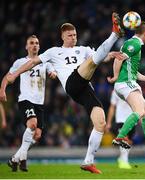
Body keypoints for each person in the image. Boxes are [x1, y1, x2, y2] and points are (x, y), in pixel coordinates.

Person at [4, 13, 125, 174]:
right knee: (90, 63)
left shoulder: (83, 50)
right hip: (72, 83)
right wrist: (15, 74)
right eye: (70, 35)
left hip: (84, 88)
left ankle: (88, 161)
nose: (73, 38)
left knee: (100, 122)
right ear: (63, 36)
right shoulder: (53, 52)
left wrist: (112, 54)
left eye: (75, 35)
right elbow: (32, 62)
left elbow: (101, 57)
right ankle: (115, 34)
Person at [108, 21, 145, 155]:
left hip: (128, 82)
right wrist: (115, 76)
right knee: (139, 111)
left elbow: (132, 70)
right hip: (125, 83)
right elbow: (118, 59)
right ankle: (120, 136)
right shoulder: (134, 44)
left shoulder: (135, 45)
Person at [0, 35, 57, 172]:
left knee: (37, 135)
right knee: (32, 124)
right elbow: (7, 77)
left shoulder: (45, 62)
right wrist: (2, 90)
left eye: (37, 43)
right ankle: (23, 159)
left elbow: (53, 71)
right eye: (31, 43)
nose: (34, 45)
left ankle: (14, 159)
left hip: (39, 102)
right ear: (26, 47)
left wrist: (53, 74)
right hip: (25, 99)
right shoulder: (20, 62)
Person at [106, 90, 133, 169]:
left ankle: (121, 158)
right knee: (124, 139)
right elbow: (112, 107)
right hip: (121, 118)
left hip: (132, 118)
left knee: (130, 141)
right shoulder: (116, 90)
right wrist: (109, 122)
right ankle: (125, 161)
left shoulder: (135, 88)